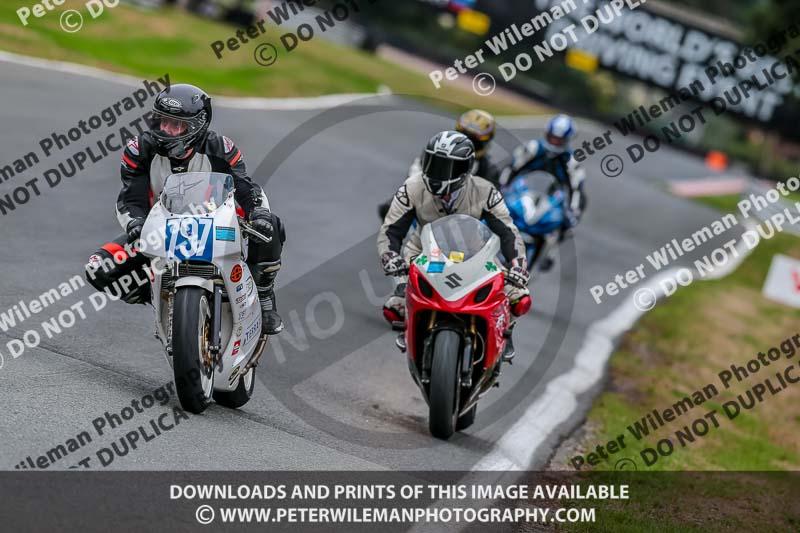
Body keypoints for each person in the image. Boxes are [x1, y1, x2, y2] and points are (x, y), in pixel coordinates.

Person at [84, 83, 286, 335]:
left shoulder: (221, 148)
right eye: (162, 122)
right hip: (160, 231)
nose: (166, 130)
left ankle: (264, 295)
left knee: (271, 226)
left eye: (176, 125)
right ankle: (163, 297)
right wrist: (136, 224)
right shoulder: (139, 150)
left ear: (197, 126)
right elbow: (130, 198)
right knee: (98, 267)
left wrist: (259, 214)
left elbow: (246, 188)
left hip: (216, 226)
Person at [377, 131, 531, 361]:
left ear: (465, 169)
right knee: (394, 305)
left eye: (446, 166)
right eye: (433, 162)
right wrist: (390, 256)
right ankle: (410, 324)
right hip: (422, 249)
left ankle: (504, 333)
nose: (437, 171)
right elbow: (390, 230)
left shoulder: (486, 191)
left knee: (519, 297)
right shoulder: (412, 187)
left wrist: (518, 265)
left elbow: (508, 232)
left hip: (476, 250)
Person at [377, 109, 500, 220]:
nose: (467, 145)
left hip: (461, 221)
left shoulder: (489, 171)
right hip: (427, 202)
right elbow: (416, 174)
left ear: (485, 144)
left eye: (473, 141)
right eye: (464, 136)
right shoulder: (437, 150)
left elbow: (491, 205)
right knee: (389, 210)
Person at [500, 114, 586, 233]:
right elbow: (510, 169)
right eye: (552, 137)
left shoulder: (571, 162)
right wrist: (501, 189)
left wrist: (573, 211)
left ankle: (549, 244)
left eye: (559, 140)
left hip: (551, 202)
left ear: (567, 140)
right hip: (523, 193)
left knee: (564, 226)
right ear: (546, 134)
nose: (554, 142)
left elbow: (576, 190)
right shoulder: (532, 148)